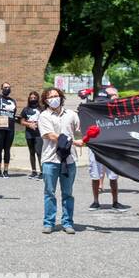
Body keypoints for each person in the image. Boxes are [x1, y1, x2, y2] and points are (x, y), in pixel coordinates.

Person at [38, 87, 85, 234]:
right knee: (49, 192)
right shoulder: (44, 116)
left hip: (69, 159)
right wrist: (73, 141)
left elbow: (80, 129)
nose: (54, 98)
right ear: (45, 101)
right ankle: (49, 222)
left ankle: (67, 222)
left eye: (56, 95)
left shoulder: (71, 114)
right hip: (50, 159)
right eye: (50, 97)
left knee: (68, 193)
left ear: (61, 97)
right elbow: (50, 136)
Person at [88, 82, 127, 211]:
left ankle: (115, 202)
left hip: (111, 148)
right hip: (95, 148)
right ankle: (95, 201)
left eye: (103, 101)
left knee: (113, 176)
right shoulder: (90, 114)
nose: (101, 104)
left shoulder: (115, 114)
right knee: (95, 175)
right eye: (99, 101)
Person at [19, 91, 43, 179]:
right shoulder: (26, 109)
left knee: (39, 152)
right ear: (29, 99)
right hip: (29, 134)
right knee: (31, 152)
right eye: (31, 98)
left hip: (39, 134)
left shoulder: (42, 109)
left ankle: (42, 172)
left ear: (37, 98)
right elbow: (21, 121)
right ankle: (33, 171)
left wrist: (37, 124)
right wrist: (29, 124)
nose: (33, 99)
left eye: (34, 98)